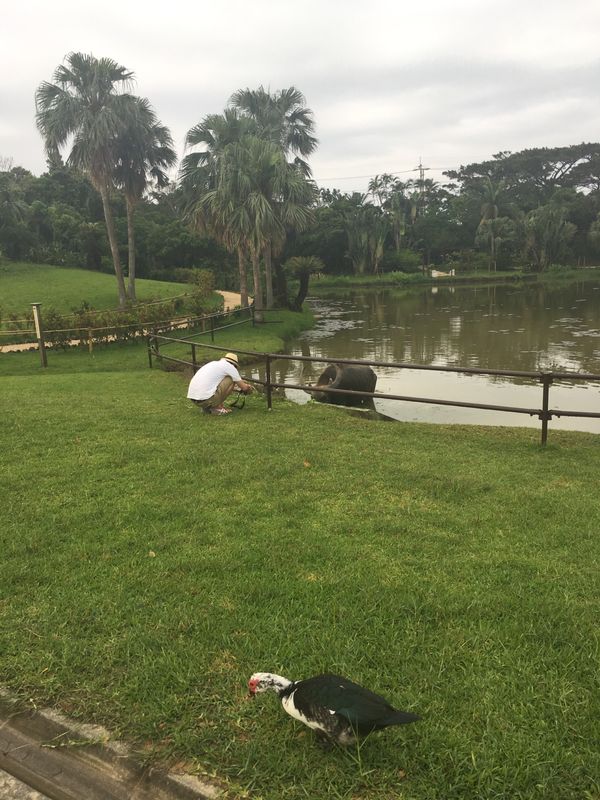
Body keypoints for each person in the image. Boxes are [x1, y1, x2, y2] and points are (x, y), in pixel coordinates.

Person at [187, 352, 253, 416]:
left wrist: (237, 386)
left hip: (194, 399)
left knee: (229, 380)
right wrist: (249, 388)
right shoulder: (230, 367)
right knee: (232, 379)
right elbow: (244, 388)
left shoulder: (213, 363)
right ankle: (217, 408)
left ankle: (207, 407)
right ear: (234, 365)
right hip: (206, 400)